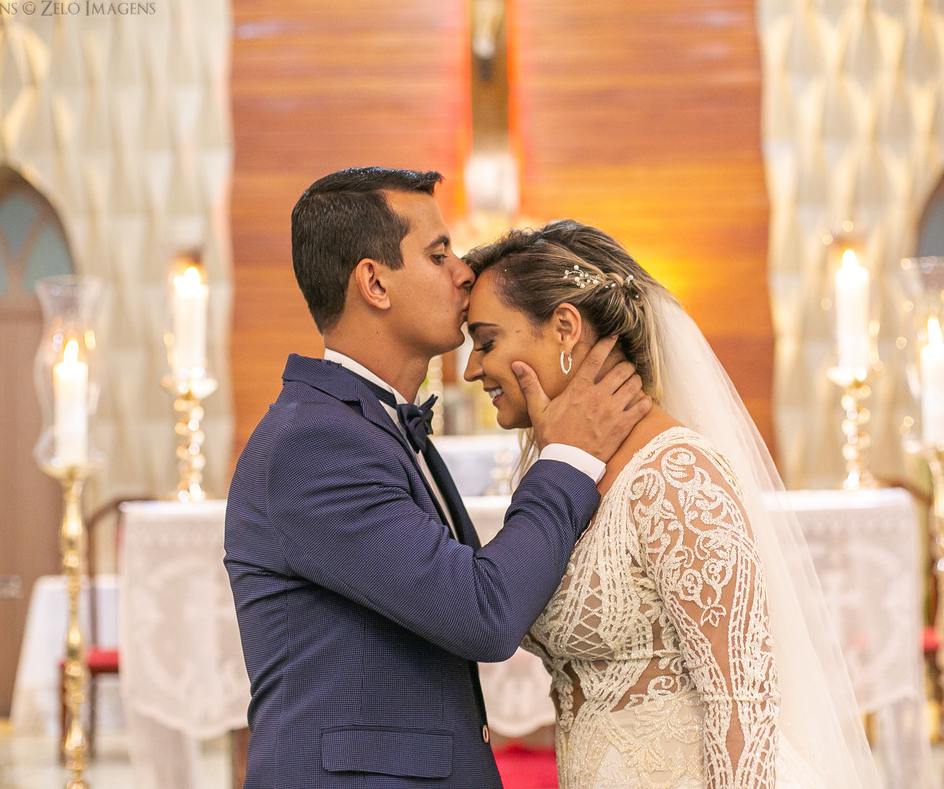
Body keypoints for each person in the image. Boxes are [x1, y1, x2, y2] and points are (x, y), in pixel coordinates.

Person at [224, 168, 652, 789]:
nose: (464, 272)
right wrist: (569, 458)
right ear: (374, 282)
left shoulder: (374, 425)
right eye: (437, 253)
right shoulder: (315, 443)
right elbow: (482, 611)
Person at [463, 220, 883, 789]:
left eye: (487, 341)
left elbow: (743, 704)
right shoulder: (560, 475)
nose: (471, 369)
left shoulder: (676, 475)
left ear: (564, 327)